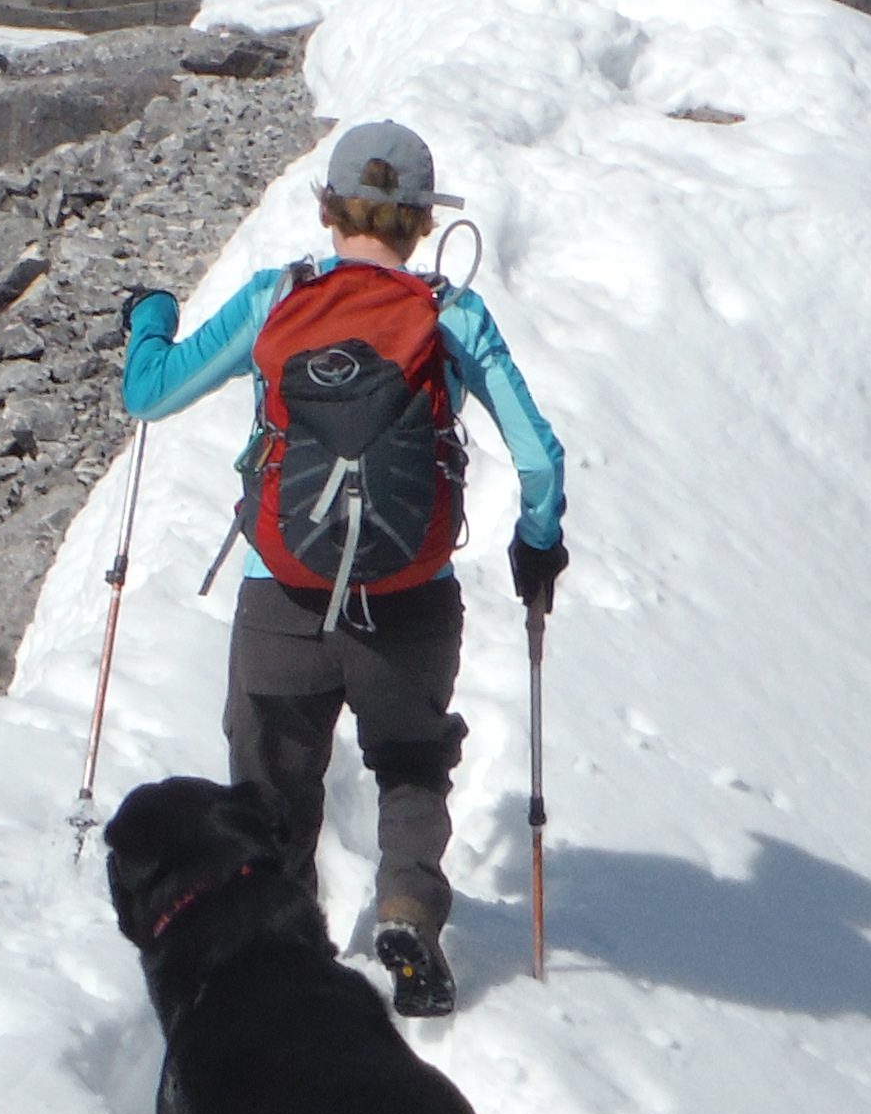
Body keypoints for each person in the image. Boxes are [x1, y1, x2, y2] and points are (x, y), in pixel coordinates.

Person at [119, 120, 567, 1019]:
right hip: (409, 603)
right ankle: (406, 910)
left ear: (326, 209)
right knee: (409, 764)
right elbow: (541, 457)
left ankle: (283, 957)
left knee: (272, 785)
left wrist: (150, 316)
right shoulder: (450, 313)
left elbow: (150, 393)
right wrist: (537, 543)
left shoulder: (274, 299)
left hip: (282, 595)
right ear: (420, 224)